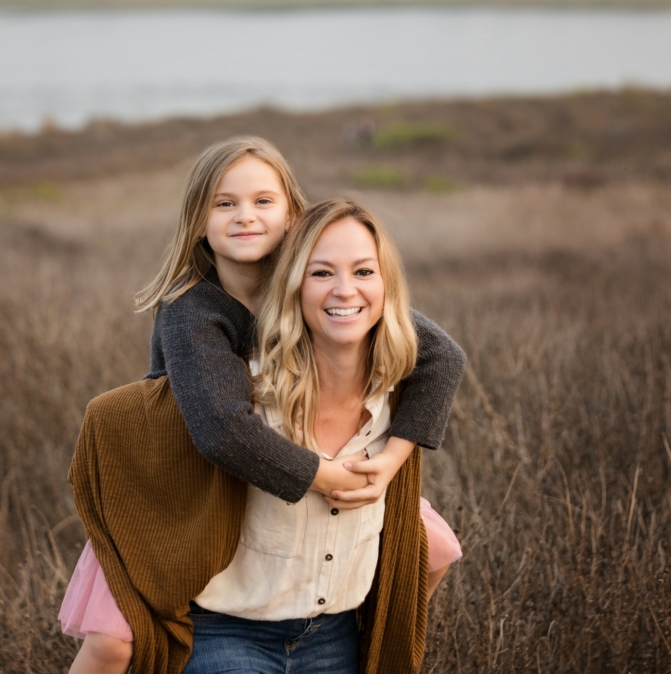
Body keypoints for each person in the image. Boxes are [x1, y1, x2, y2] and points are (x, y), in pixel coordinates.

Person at [59, 138, 465, 672]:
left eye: (263, 201)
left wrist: (391, 461)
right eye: (224, 204)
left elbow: (441, 354)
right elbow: (221, 429)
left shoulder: (312, 282)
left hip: (291, 461)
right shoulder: (192, 311)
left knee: (429, 550)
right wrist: (324, 477)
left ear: (293, 215)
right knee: (113, 642)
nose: (245, 217)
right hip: (186, 488)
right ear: (197, 220)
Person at [183, 197, 462, 672]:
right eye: (321, 273)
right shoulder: (240, 396)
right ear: (292, 286)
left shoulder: (396, 403)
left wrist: (393, 460)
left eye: (363, 272)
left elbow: (445, 357)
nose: (344, 291)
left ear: (386, 285)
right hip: (228, 631)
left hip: (336, 636)